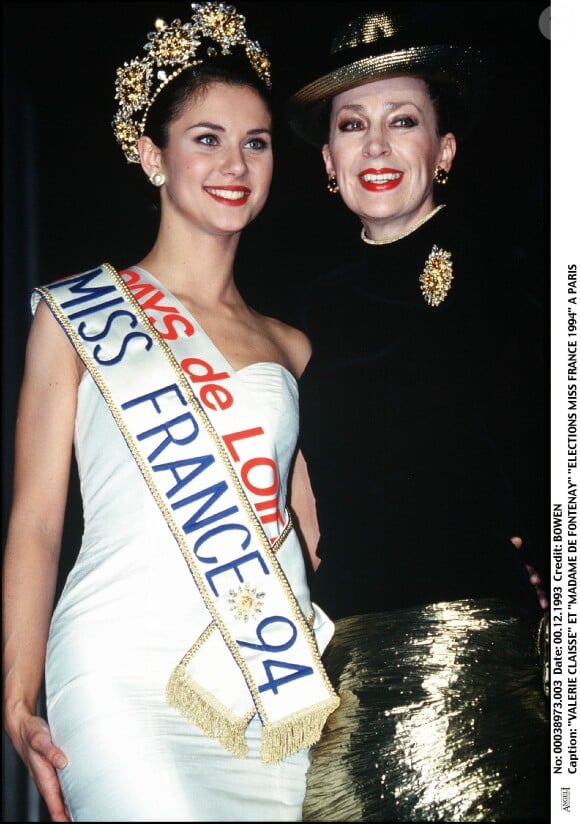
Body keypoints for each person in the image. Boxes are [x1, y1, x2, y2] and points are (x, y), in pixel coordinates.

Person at [1, 3, 340, 821]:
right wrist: (17, 696)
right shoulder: (78, 316)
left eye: (254, 142)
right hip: (119, 670)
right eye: (206, 138)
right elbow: (37, 521)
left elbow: (318, 533)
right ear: (153, 155)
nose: (234, 163)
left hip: (268, 686)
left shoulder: (292, 346)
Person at [284, 6, 548, 821]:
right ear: (328, 159)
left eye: (404, 122)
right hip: (346, 672)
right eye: (353, 126)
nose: (376, 146)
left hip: (477, 653)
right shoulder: (305, 309)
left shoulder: (511, 269)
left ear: (445, 150)